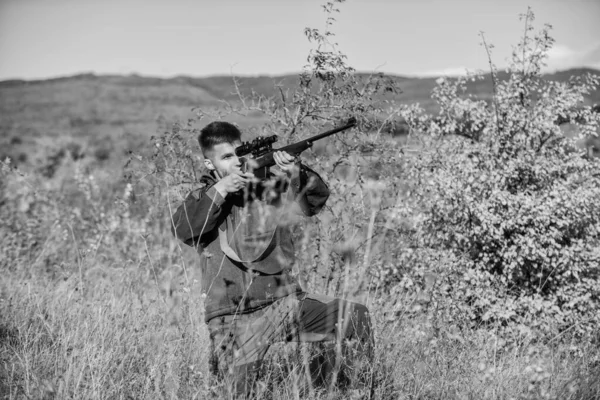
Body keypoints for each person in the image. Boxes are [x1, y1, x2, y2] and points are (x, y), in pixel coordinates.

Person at [171, 121, 373, 398]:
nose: (236, 162)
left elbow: (314, 201)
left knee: (354, 317)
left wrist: (295, 170)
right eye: (226, 157)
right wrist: (222, 189)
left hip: (283, 303)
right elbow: (184, 229)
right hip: (233, 315)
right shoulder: (202, 198)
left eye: (239, 154)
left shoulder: (268, 189)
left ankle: (341, 392)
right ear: (209, 164)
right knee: (231, 393)